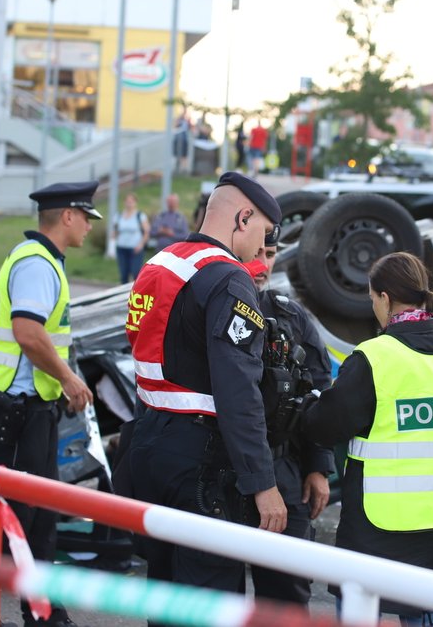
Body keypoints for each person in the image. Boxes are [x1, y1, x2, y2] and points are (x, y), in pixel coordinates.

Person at [120, 171, 287, 602]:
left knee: (164, 590)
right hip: (201, 460)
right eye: (263, 234)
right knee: (208, 596)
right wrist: (262, 483)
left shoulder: (158, 265)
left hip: (148, 440)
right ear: (243, 218)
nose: (259, 250)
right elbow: (238, 392)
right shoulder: (229, 279)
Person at [302, 251, 433, 626]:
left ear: (384, 297)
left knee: (359, 598)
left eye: (372, 299)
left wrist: (309, 405)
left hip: (377, 516)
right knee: (423, 605)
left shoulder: (374, 358)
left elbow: (325, 426)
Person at [0, 181, 99, 627]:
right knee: (0, 526)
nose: (90, 228)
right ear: (68, 216)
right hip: (15, 415)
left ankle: (43, 613)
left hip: (27, 413)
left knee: (38, 521)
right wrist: (70, 378)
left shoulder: (42, 261)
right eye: (86, 218)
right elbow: (29, 333)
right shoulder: (37, 264)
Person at [246, 232, 334, 607]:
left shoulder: (290, 315)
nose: (263, 264)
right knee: (214, 594)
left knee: (287, 593)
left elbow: (317, 392)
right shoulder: (210, 307)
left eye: (270, 254)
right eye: (256, 253)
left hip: (284, 469)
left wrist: (318, 467)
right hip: (220, 470)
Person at [112, 193, 150, 284]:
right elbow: (115, 230)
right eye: (127, 201)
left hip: (135, 249)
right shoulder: (119, 215)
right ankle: (123, 296)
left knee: (135, 272)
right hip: (121, 248)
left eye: (131, 201)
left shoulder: (140, 216)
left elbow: (146, 232)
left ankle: (134, 294)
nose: (129, 203)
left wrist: (140, 245)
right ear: (124, 202)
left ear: (135, 202)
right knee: (124, 274)